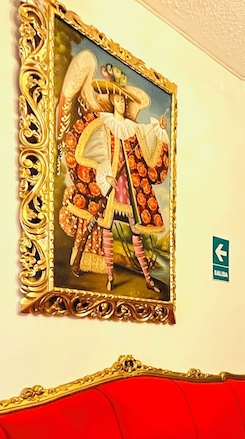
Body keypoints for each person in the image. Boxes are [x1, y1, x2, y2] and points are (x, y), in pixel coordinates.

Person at [57, 52, 170, 293]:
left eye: (124, 101)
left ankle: (148, 278)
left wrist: (160, 132)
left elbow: (148, 150)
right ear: (113, 100)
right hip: (109, 186)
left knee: (136, 233)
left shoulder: (133, 129)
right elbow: (84, 145)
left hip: (128, 189)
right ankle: (110, 276)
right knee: (106, 230)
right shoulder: (102, 121)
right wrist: (103, 173)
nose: (121, 104)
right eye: (118, 100)